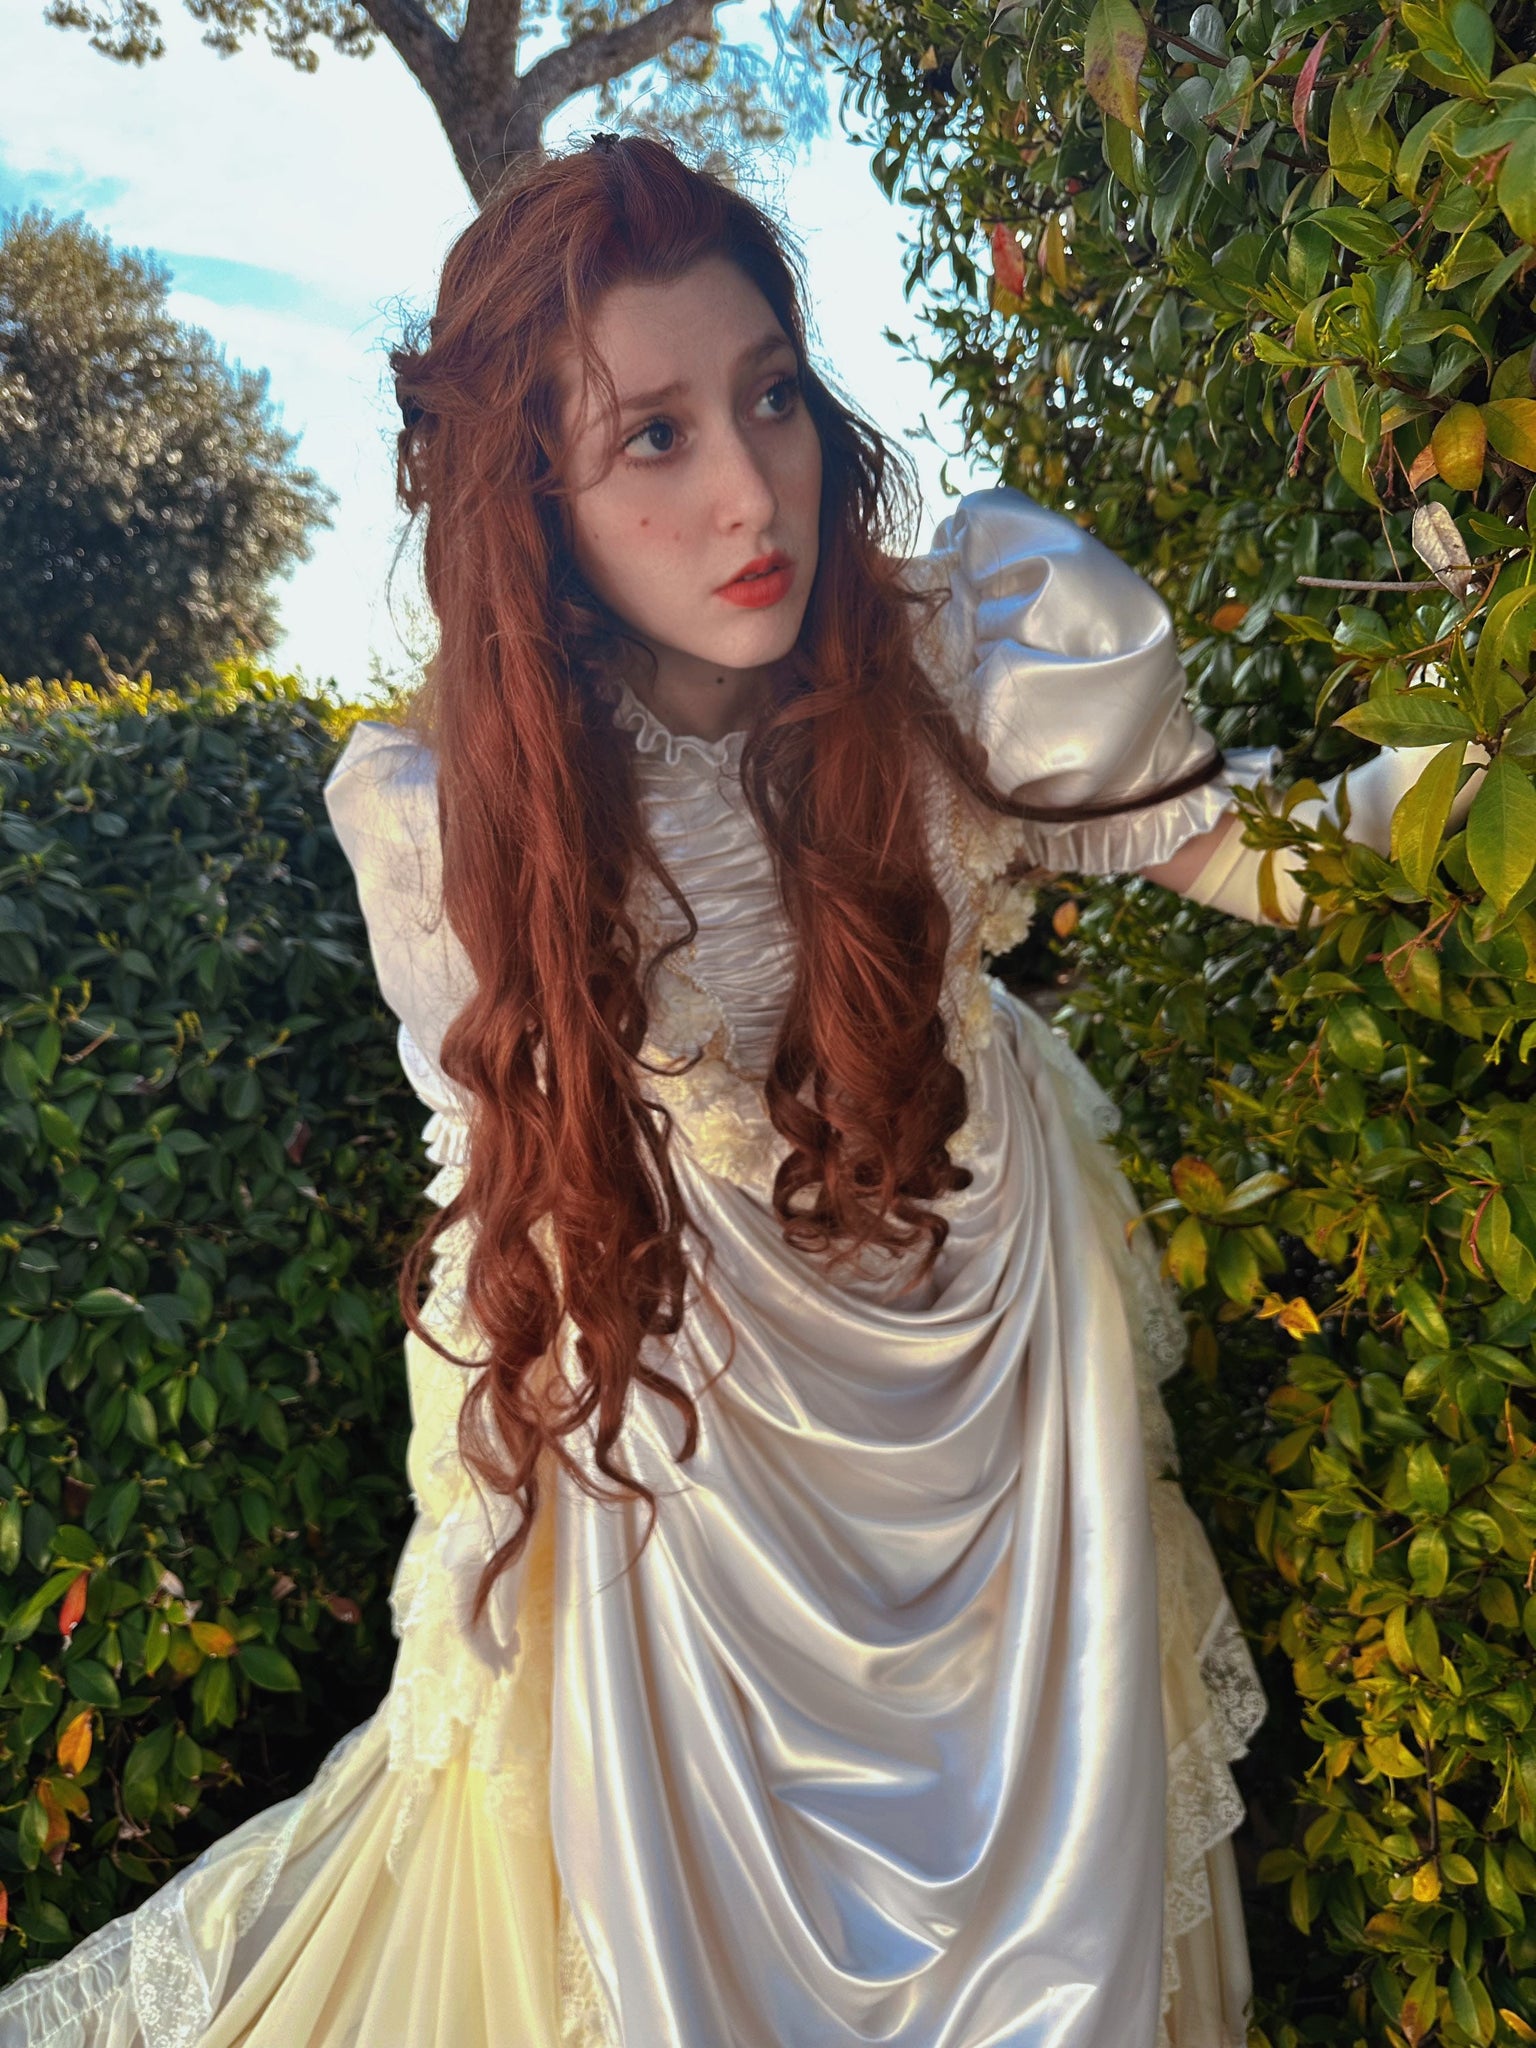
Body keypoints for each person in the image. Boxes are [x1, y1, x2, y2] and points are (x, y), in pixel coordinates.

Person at [0, 133, 1478, 2048]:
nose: (749, 489)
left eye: (772, 395)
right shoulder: (460, 813)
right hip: (698, 1462)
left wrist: (1484, 731)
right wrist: (486, 1563)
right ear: (534, 498)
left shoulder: (954, 658)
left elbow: (1274, 862)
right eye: (654, 435)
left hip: (1008, 1420)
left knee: (1077, 1912)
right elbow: (502, 1194)